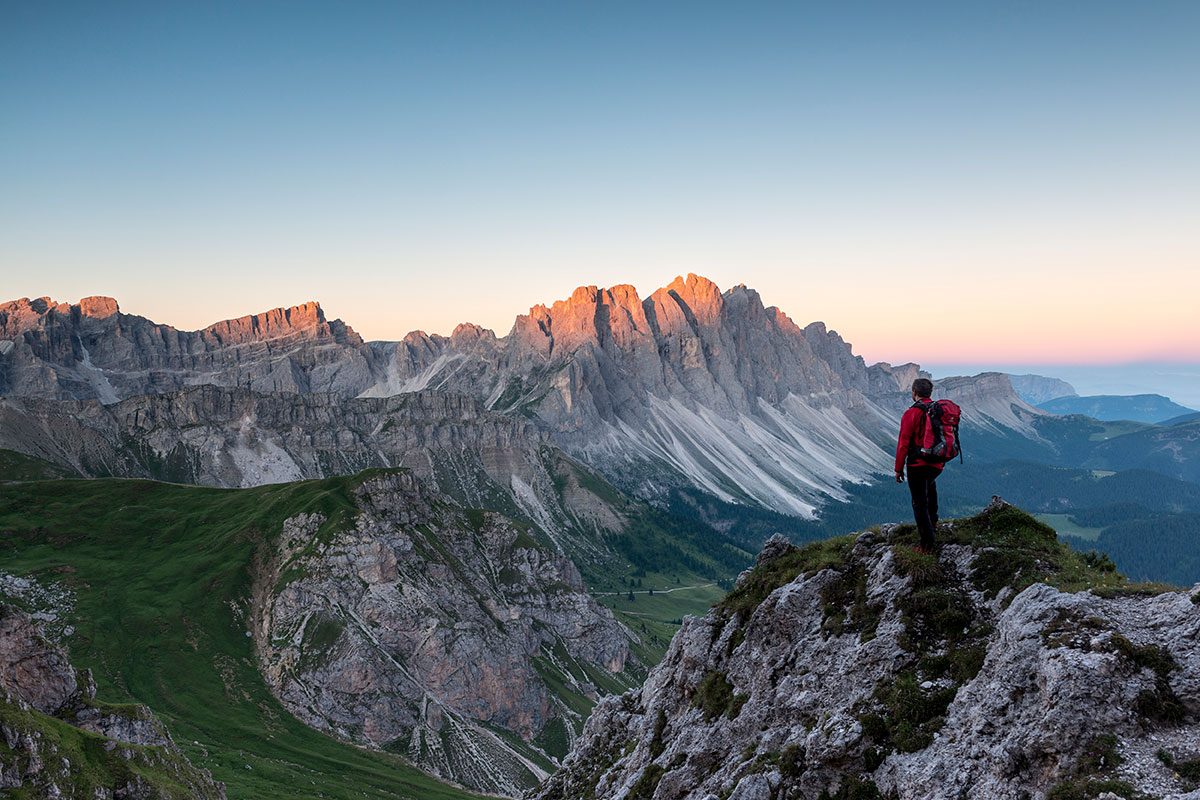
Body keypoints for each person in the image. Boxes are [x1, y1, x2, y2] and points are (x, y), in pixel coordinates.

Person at [895, 378, 942, 553]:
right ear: (930, 392)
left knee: (919, 503)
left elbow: (903, 444)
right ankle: (934, 522)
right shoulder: (937, 409)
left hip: (917, 464)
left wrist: (898, 469)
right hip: (937, 463)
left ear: (914, 392)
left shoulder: (911, 413)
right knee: (931, 488)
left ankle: (927, 545)